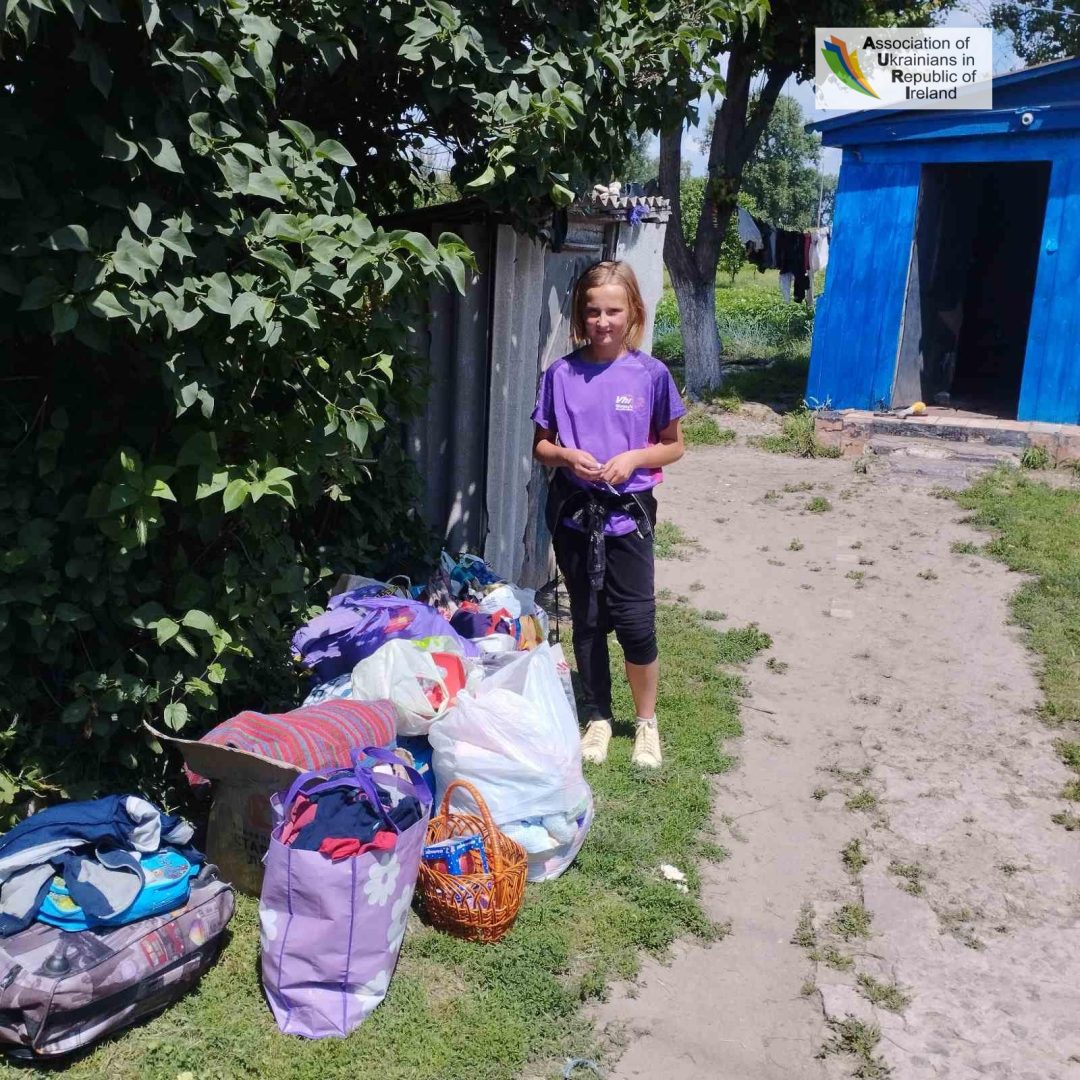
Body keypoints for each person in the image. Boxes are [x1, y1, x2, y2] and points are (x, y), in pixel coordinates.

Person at [531, 261, 685, 769]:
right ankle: (598, 715)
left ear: (633, 312)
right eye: (593, 311)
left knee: (636, 623)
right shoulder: (560, 374)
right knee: (588, 620)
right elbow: (541, 446)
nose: (602, 322)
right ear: (581, 314)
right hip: (576, 517)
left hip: (628, 518)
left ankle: (646, 723)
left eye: (613, 311)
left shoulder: (651, 375)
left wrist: (634, 458)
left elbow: (673, 446)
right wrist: (566, 456)